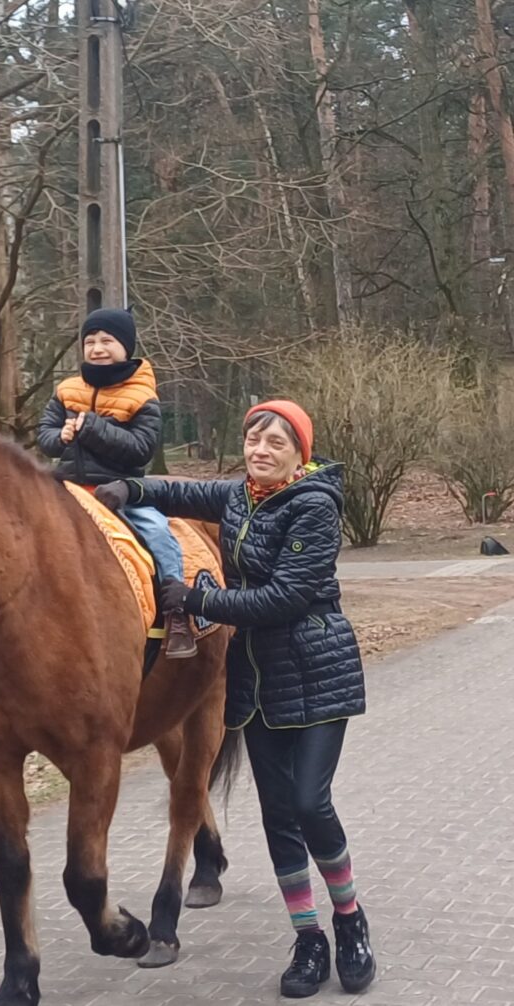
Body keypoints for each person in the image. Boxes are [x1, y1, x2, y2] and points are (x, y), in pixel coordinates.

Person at [95, 400, 376, 999]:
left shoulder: (313, 504)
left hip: (317, 671)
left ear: (299, 454)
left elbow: (285, 598)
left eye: (277, 443)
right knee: (278, 816)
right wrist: (127, 488)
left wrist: (196, 600)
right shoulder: (238, 497)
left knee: (309, 803)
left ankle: (350, 921)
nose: (261, 451)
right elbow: (176, 491)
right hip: (257, 682)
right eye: (254, 440)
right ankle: (308, 939)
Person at [37, 307, 194, 657]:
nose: (97, 348)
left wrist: (92, 427)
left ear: (126, 346)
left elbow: (141, 449)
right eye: (90, 341)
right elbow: (44, 434)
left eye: (107, 340)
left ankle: (177, 613)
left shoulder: (142, 395)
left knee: (158, 533)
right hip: (69, 488)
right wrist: (59, 437)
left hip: (123, 491)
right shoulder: (66, 390)